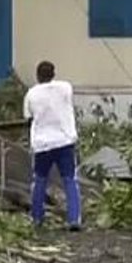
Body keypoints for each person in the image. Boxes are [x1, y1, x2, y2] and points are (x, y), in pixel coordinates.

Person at [23, 60, 83, 230]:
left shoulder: (31, 94)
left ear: (37, 76)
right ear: (54, 74)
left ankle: (37, 217)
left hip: (42, 144)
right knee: (70, 180)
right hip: (64, 141)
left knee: (40, 180)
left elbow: (28, 117)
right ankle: (74, 219)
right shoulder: (65, 88)